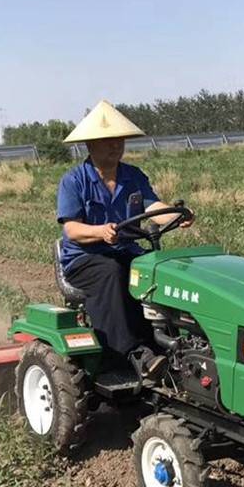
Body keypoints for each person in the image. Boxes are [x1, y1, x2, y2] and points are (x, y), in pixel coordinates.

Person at [57, 100, 194, 380]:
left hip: (125, 249)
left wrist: (176, 216)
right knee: (114, 273)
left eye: (119, 139)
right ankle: (133, 352)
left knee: (160, 271)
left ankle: (172, 344)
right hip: (84, 258)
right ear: (90, 145)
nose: (115, 145)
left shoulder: (132, 176)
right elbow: (71, 229)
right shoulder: (74, 181)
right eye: (107, 140)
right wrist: (99, 232)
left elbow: (152, 207)